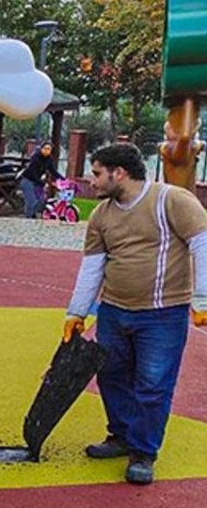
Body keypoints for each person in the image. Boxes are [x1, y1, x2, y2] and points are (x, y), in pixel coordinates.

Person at [63, 143, 207, 484]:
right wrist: (76, 312)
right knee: (110, 376)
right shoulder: (100, 216)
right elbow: (92, 267)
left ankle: (143, 451)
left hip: (162, 314)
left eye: (97, 173)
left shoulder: (171, 201)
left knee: (153, 384)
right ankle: (122, 436)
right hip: (113, 311)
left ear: (119, 173)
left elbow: (203, 245)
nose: (92, 180)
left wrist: (202, 299)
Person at [18, 142, 63, 219]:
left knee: (41, 200)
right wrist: (40, 182)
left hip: (37, 182)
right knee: (31, 201)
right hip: (27, 180)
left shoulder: (48, 160)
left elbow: (53, 171)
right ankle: (28, 217)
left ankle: (33, 215)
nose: (46, 151)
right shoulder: (35, 158)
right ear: (41, 149)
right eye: (45, 149)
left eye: (49, 149)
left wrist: (62, 179)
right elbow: (32, 172)